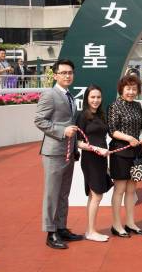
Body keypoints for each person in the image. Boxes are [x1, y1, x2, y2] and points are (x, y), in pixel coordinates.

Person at [34, 59, 83, 249]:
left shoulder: (69, 95)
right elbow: (39, 120)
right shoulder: (50, 95)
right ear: (55, 75)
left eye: (70, 72)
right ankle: (50, 232)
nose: (67, 75)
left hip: (69, 152)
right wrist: (62, 131)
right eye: (63, 73)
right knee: (52, 194)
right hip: (54, 152)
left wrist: (75, 148)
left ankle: (61, 227)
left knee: (64, 193)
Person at [107, 74, 142, 238]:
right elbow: (112, 130)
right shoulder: (114, 106)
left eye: (134, 89)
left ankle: (130, 223)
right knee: (120, 189)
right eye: (128, 88)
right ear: (121, 89)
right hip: (120, 152)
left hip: (136, 153)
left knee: (132, 190)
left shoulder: (138, 106)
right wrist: (129, 138)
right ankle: (116, 225)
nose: (131, 92)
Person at [76, 85, 113, 242]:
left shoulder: (101, 115)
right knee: (97, 195)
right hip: (90, 160)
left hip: (102, 159)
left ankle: (90, 230)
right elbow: (77, 142)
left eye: (98, 97)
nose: (96, 100)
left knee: (95, 195)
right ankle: (91, 231)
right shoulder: (82, 116)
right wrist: (96, 149)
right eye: (92, 97)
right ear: (86, 99)